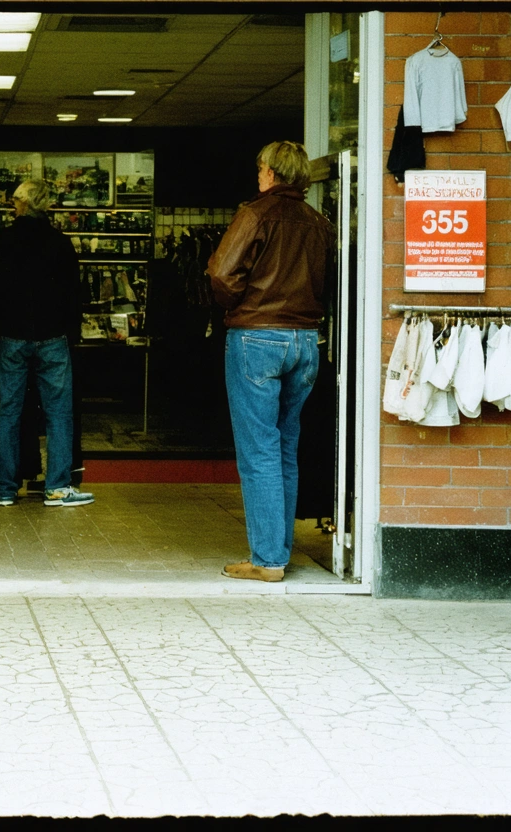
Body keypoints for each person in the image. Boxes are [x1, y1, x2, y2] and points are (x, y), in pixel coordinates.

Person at [206, 140, 334, 583]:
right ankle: (278, 551)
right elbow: (329, 283)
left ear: (272, 173)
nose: (257, 175)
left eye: (260, 168)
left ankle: (267, 560)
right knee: (285, 448)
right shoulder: (320, 224)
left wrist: (240, 303)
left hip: (257, 338)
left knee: (258, 449)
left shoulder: (255, 213)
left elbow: (222, 274)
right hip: (305, 342)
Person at [0, 179, 93, 508]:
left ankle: (5, 488)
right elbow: (74, 294)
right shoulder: (60, 244)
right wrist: (71, 331)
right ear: (47, 205)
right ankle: (56, 486)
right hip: (53, 336)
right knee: (58, 413)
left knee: (9, 411)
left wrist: (0, 318)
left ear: (19, 204)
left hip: (12, 335)